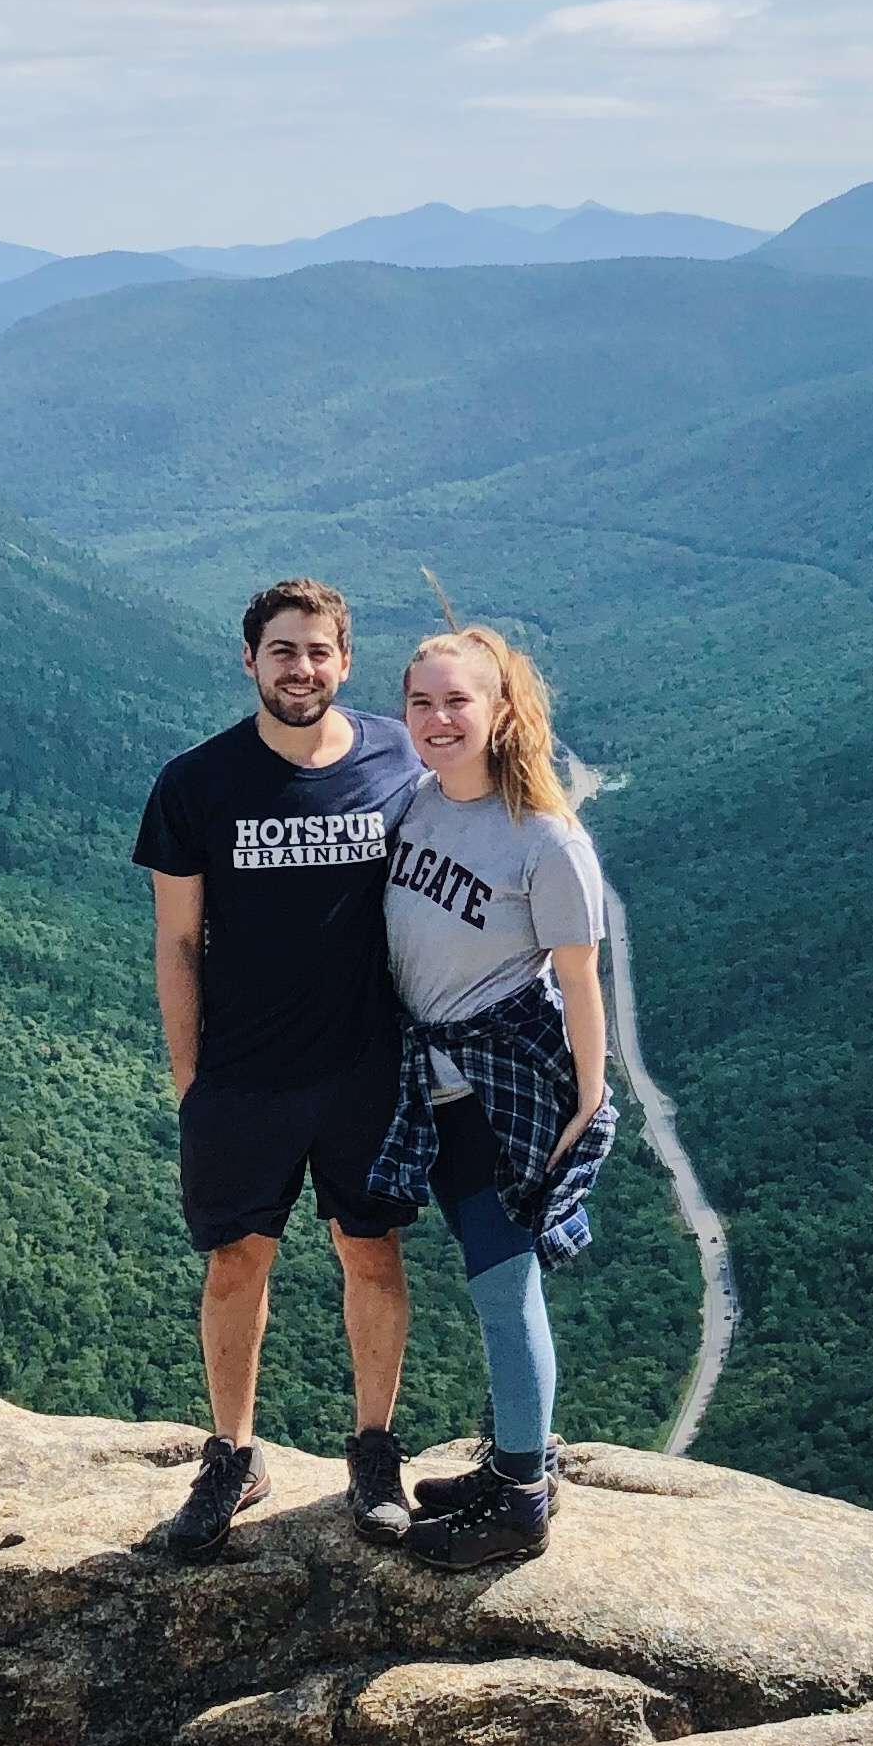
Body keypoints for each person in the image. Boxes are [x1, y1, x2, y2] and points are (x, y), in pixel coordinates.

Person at [136, 578, 425, 1558]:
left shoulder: (400, 758)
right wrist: (191, 1082)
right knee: (235, 1264)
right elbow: (178, 944)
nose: (301, 669)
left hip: (368, 1069)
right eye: (282, 651)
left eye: (318, 652)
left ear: (346, 662)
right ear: (249, 660)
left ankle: (375, 1451)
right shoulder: (196, 784)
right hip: (246, 1075)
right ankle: (232, 1454)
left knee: (371, 1255)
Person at [367, 622, 618, 1570]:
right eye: (422, 702)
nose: (437, 720)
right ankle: (523, 1459)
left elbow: (581, 976)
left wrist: (586, 1102)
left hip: (502, 1084)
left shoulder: (544, 839)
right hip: (432, 1082)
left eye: (458, 701)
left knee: (503, 1288)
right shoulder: (420, 807)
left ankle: (521, 1500)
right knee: (493, 1281)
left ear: (501, 709)